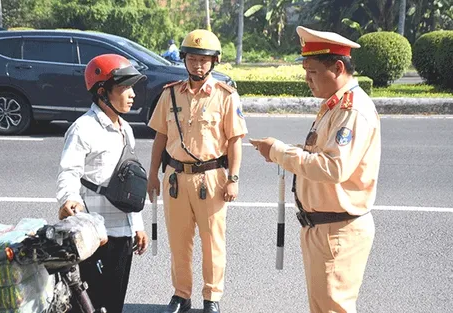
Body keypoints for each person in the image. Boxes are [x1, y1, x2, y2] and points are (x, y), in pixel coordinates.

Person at [250, 26, 381, 313]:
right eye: (305, 72)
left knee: (332, 308)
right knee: (322, 307)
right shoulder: (334, 106)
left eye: (312, 72)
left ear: (337, 68)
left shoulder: (352, 110)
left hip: (337, 228)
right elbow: (320, 153)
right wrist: (282, 151)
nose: (307, 80)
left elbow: (334, 167)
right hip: (323, 226)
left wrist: (279, 152)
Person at [147, 29, 248, 313]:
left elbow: (235, 141)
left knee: (213, 242)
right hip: (175, 179)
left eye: (204, 60)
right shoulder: (170, 94)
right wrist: (153, 174)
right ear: (184, 60)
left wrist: (233, 179)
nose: (198, 65)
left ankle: (212, 298)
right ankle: (181, 295)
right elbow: (160, 138)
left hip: (212, 178)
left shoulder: (225, 96)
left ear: (214, 62)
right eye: (192, 59)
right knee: (179, 243)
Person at [56, 54, 149, 313]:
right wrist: (68, 199)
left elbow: (130, 180)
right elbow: (69, 172)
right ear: (102, 92)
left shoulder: (125, 129)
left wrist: (138, 225)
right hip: (95, 236)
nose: (132, 95)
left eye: (132, 88)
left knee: (115, 302)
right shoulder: (83, 129)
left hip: (123, 234)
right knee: (89, 303)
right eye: (124, 88)